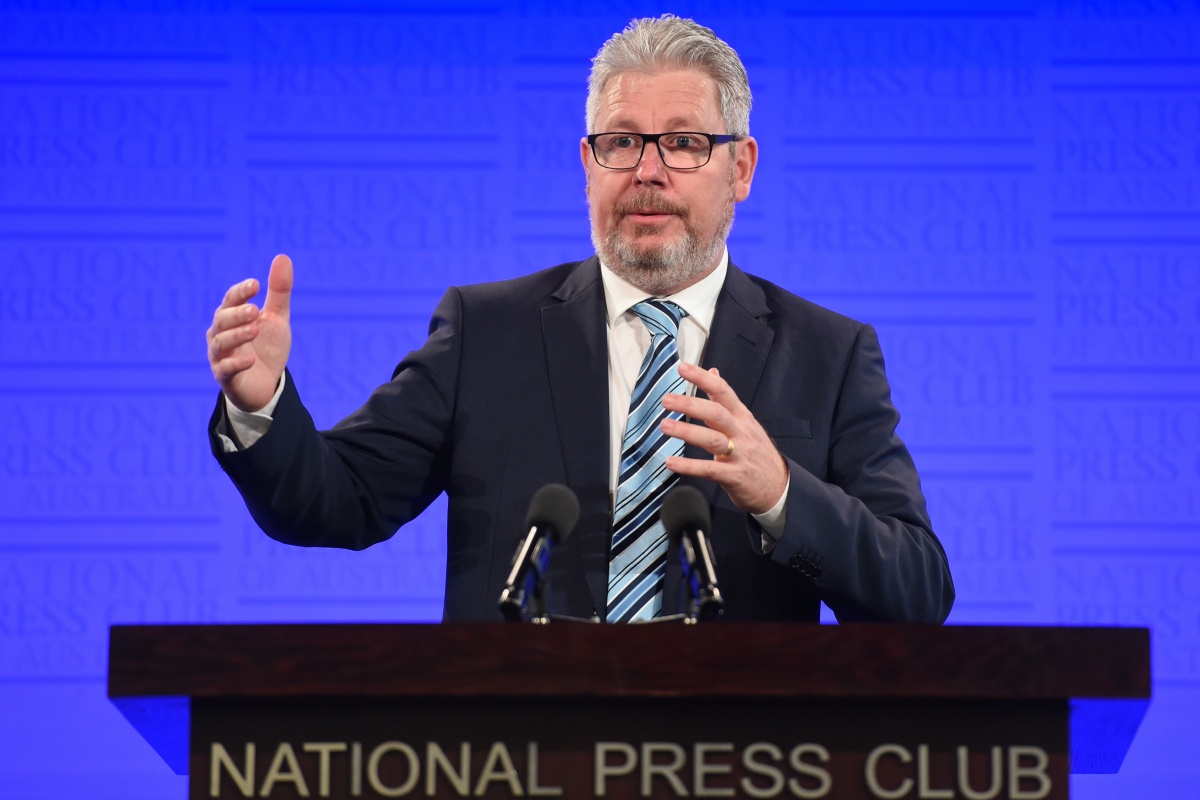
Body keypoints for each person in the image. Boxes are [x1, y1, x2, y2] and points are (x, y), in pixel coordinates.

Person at [206, 16, 954, 624]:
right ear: (588, 163)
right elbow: (337, 501)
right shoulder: (485, 332)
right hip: (519, 754)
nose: (647, 171)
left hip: (737, 756)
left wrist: (780, 492)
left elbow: (917, 591)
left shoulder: (827, 352)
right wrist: (259, 405)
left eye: (685, 143)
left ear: (743, 168)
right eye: (621, 141)